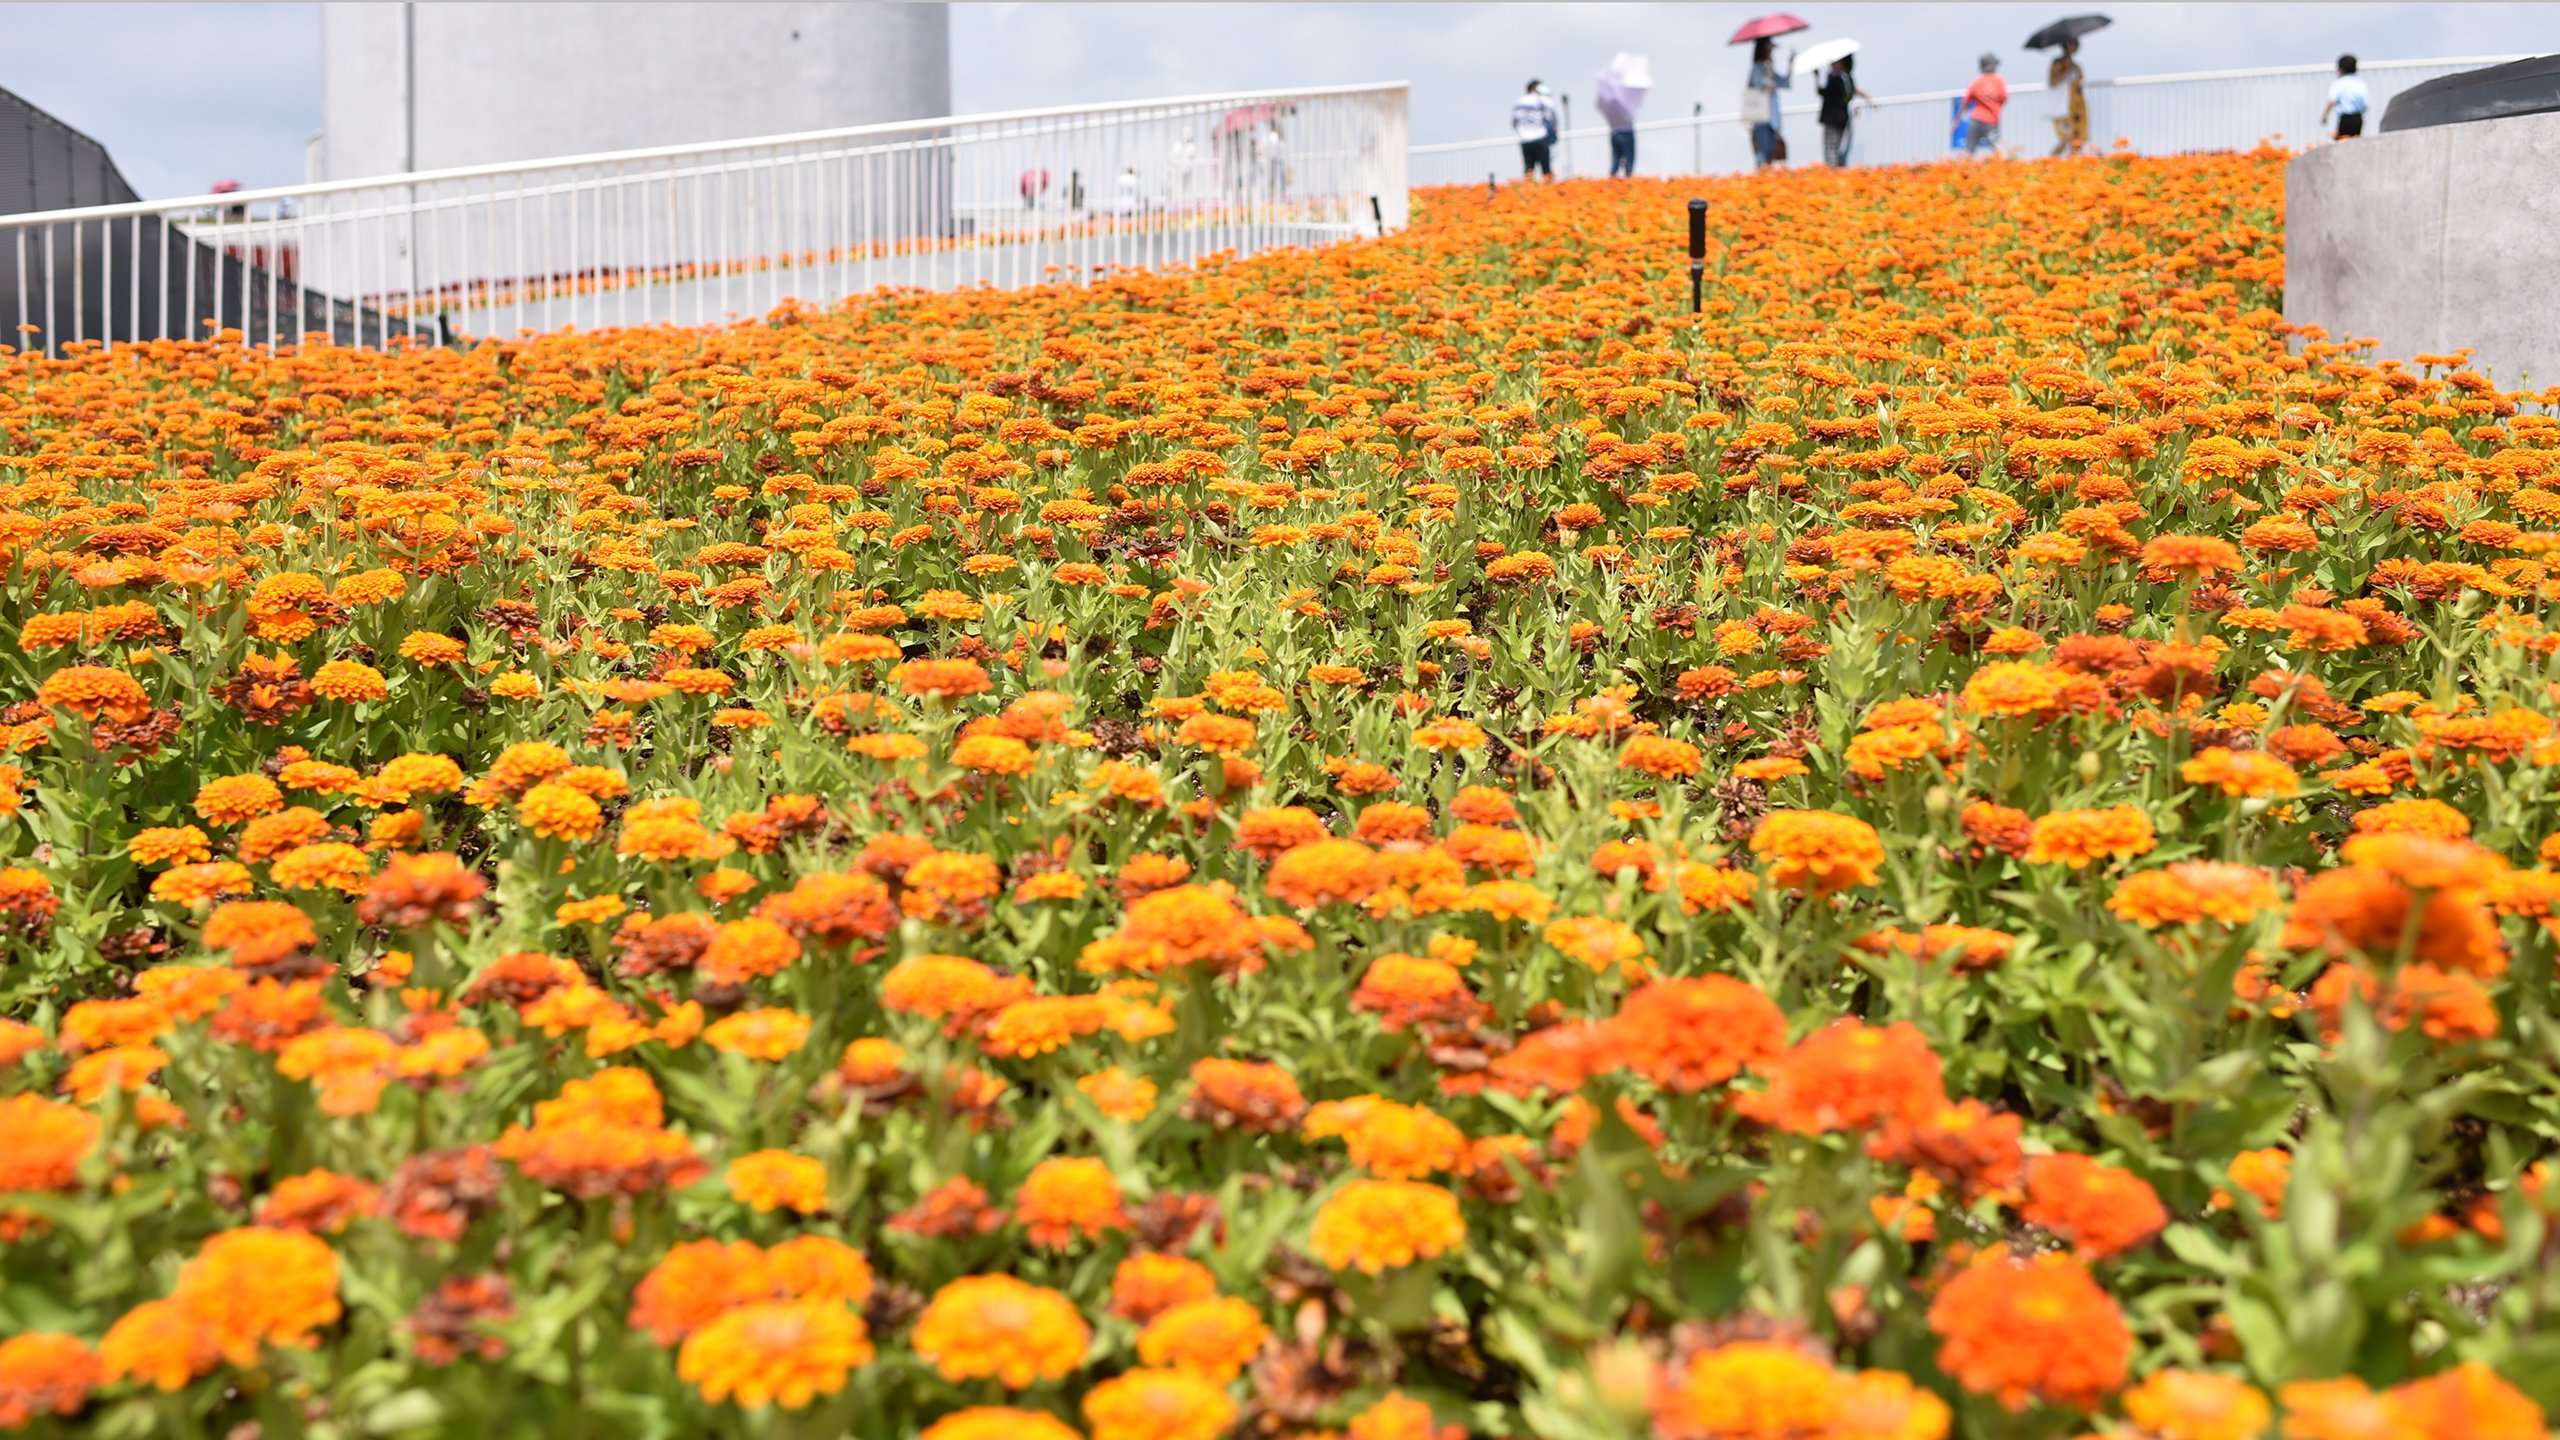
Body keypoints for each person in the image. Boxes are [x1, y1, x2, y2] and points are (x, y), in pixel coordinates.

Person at [1744, 38, 1791, 168]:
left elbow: (1785, 83)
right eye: (1770, 48)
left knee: (1770, 151)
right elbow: (1763, 87)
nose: (1771, 51)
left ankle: (1765, 175)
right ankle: (1761, 177)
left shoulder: (1766, 68)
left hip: (1772, 118)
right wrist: (1769, 69)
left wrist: (1790, 64)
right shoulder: (1757, 69)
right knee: (1762, 150)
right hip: (1760, 118)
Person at [1817, 55, 1871, 168]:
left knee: (1831, 147)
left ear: (1841, 63)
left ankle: (1833, 170)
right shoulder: (1848, 78)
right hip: (1843, 117)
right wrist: (1867, 97)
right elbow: (1851, 93)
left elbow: (1823, 92)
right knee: (1840, 147)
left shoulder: (1834, 78)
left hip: (1832, 117)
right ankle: (1838, 167)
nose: (1832, 65)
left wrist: (1817, 78)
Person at [1960, 53, 2007, 157]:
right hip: (1991, 121)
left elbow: (1966, 101)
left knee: (1969, 150)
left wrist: (1957, 121)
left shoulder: (1976, 81)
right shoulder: (1998, 81)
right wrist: (1996, 109)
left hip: (1975, 119)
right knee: (1997, 150)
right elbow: (2004, 98)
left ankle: (1965, 169)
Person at [1512, 79, 1559, 179]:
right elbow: (1552, 112)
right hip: (1540, 137)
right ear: (1536, 89)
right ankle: (1548, 191)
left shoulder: (1518, 102)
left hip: (1524, 139)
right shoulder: (1541, 100)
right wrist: (1554, 126)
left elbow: (1514, 122)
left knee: (1529, 168)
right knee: (1546, 169)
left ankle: (1529, 190)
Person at [2049, 38, 2089, 156]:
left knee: (2077, 139)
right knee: (2066, 137)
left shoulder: (2076, 66)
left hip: (2077, 107)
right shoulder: (2057, 64)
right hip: (2063, 107)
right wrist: (2066, 73)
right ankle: (2048, 163)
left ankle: (2074, 166)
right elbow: (2052, 82)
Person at [2323, 54, 2370, 138]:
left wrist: (2325, 115)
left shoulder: (2338, 83)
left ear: (2340, 69)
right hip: (2358, 118)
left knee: (2343, 142)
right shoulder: (2360, 84)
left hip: (2345, 119)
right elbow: (2365, 104)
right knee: (2356, 142)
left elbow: (2332, 100)